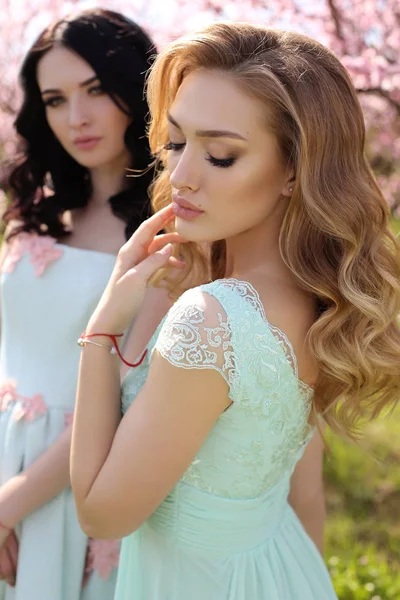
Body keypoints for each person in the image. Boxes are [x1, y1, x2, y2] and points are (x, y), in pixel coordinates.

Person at [70, 22, 400, 600]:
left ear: (295, 171)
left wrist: (101, 332)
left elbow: (102, 515)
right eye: (176, 143)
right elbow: (305, 499)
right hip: (284, 572)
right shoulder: (318, 298)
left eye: (220, 156)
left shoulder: (213, 319)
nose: (180, 177)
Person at [0, 9, 163, 600]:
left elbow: (129, 393)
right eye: (55, 99)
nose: (78, 117)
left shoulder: (162, 232)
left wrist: (10, 505)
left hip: (78, 475)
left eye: (96, 89)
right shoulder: (34, 213)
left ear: (137, 87)